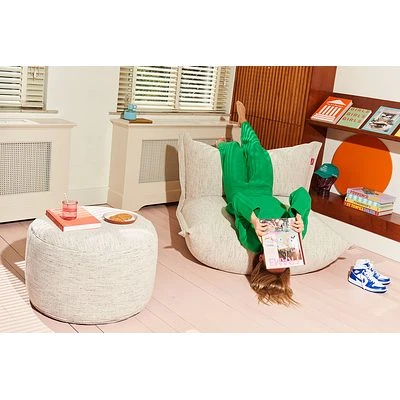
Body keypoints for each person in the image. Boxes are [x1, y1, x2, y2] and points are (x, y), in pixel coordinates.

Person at [217, 101, 311, 306]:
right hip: (263, 186)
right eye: (282, 260)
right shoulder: (295, 234)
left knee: (232, 149)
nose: (277, 250)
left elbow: (236, 202)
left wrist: (253, 220)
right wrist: (299, 215)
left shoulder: (251, 242)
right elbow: (301, 193)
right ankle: (243, 121)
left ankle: (224, 146)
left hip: (239, 189)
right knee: (258, 152)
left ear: (260, 260)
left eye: (270, 259)